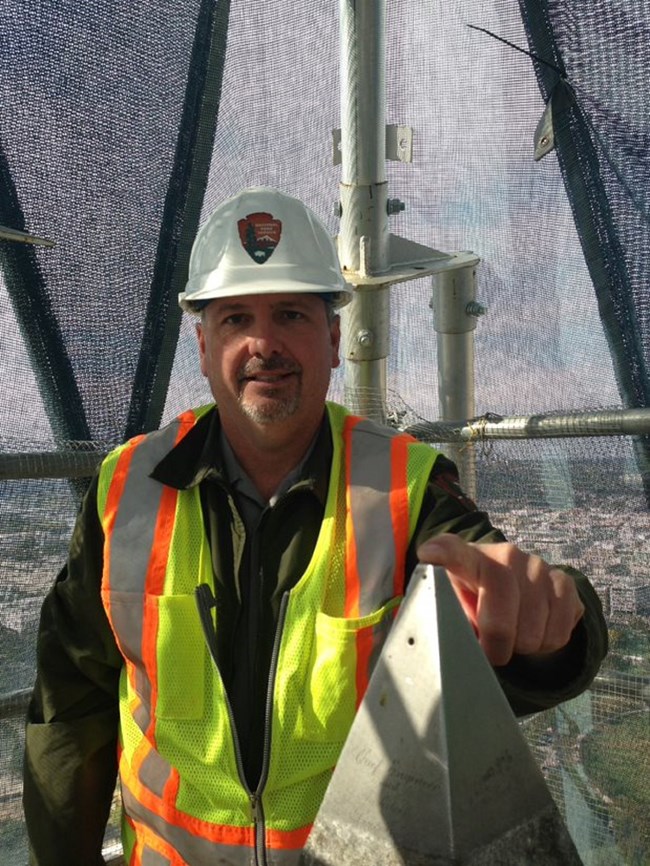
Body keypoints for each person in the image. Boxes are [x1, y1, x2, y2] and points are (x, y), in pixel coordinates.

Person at [23, 187, 608, 866]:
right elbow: (70, 706)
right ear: (203, 345)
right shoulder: (126, 491)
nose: (263, 343)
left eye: (293, 315)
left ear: (333, 340)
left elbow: (506, 589)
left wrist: (551, 625)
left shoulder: (406, 488)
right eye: (237, 317)